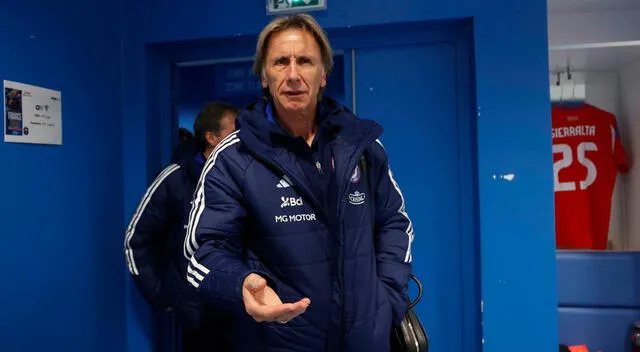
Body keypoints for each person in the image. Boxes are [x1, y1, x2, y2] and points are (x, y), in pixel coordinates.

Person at [184, 14, 414, 351]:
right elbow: (203, 251)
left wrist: (387, 298)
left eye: (305, 61)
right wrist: (242, 283)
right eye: (280, 62)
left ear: (323, 74)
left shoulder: (361, 148)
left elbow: (394, 222)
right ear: (264, 75)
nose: (293, 75)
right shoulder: (233, 159)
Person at [124, 101, 239, 352]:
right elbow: (136, 239)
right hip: (197, 309)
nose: (241, 138)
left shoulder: (245, 177)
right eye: (234, 131)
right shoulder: (176, 178)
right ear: (211, 137)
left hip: (243, 304)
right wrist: (159, 294)